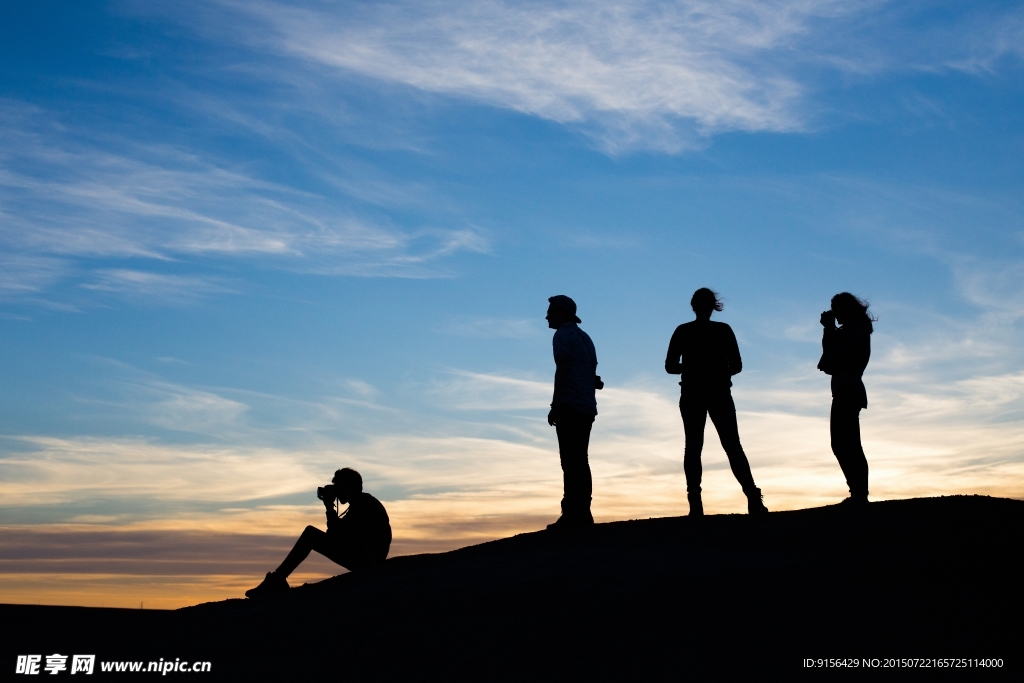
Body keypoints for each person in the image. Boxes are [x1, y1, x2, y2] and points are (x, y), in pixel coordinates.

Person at [665, 288, 768, 517]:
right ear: (714, 306)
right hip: (717, 392)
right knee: (731, 445)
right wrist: (718, 371)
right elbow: (738, 366)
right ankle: (752, 498)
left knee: (694, 447)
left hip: (695, 393)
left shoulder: (684, 331)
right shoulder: (723, 330)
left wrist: (693, 369)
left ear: (694, 305)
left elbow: (671, 366)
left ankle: (696, 505)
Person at [246, 468, 392, 597]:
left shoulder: (363, 504)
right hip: (365, 557)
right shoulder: (362, 502)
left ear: (348, 486)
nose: (336, 490)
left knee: (310, 534)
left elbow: (337, 535)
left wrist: (329, 507)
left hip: (366, 561)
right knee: (311, 534)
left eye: (339, 486)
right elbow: (338, 535)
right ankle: (278, 579)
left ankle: (277, 580)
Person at [545, 295, 601, 529]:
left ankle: (571, 514)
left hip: (570, 406)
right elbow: (591, 370)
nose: (547, 316)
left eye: (551, 311)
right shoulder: (584, 337)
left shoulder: (562, 336)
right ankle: (583, 512)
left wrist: (555, 405)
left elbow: (563, 371)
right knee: (580, 459)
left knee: (570, 460)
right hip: (587, 406)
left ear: (561, 313)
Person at [818, 292, 874, 506]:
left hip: (848, 389)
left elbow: (838, 352)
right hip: (845, 389)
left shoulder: (857, 329)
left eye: (836, 309)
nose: (835, 314)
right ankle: (858, 492)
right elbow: (829, 357)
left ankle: (859, 494)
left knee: (847, 444)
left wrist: (829, 328)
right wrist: (829, 329)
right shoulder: (850, 329)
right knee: (843, 443)